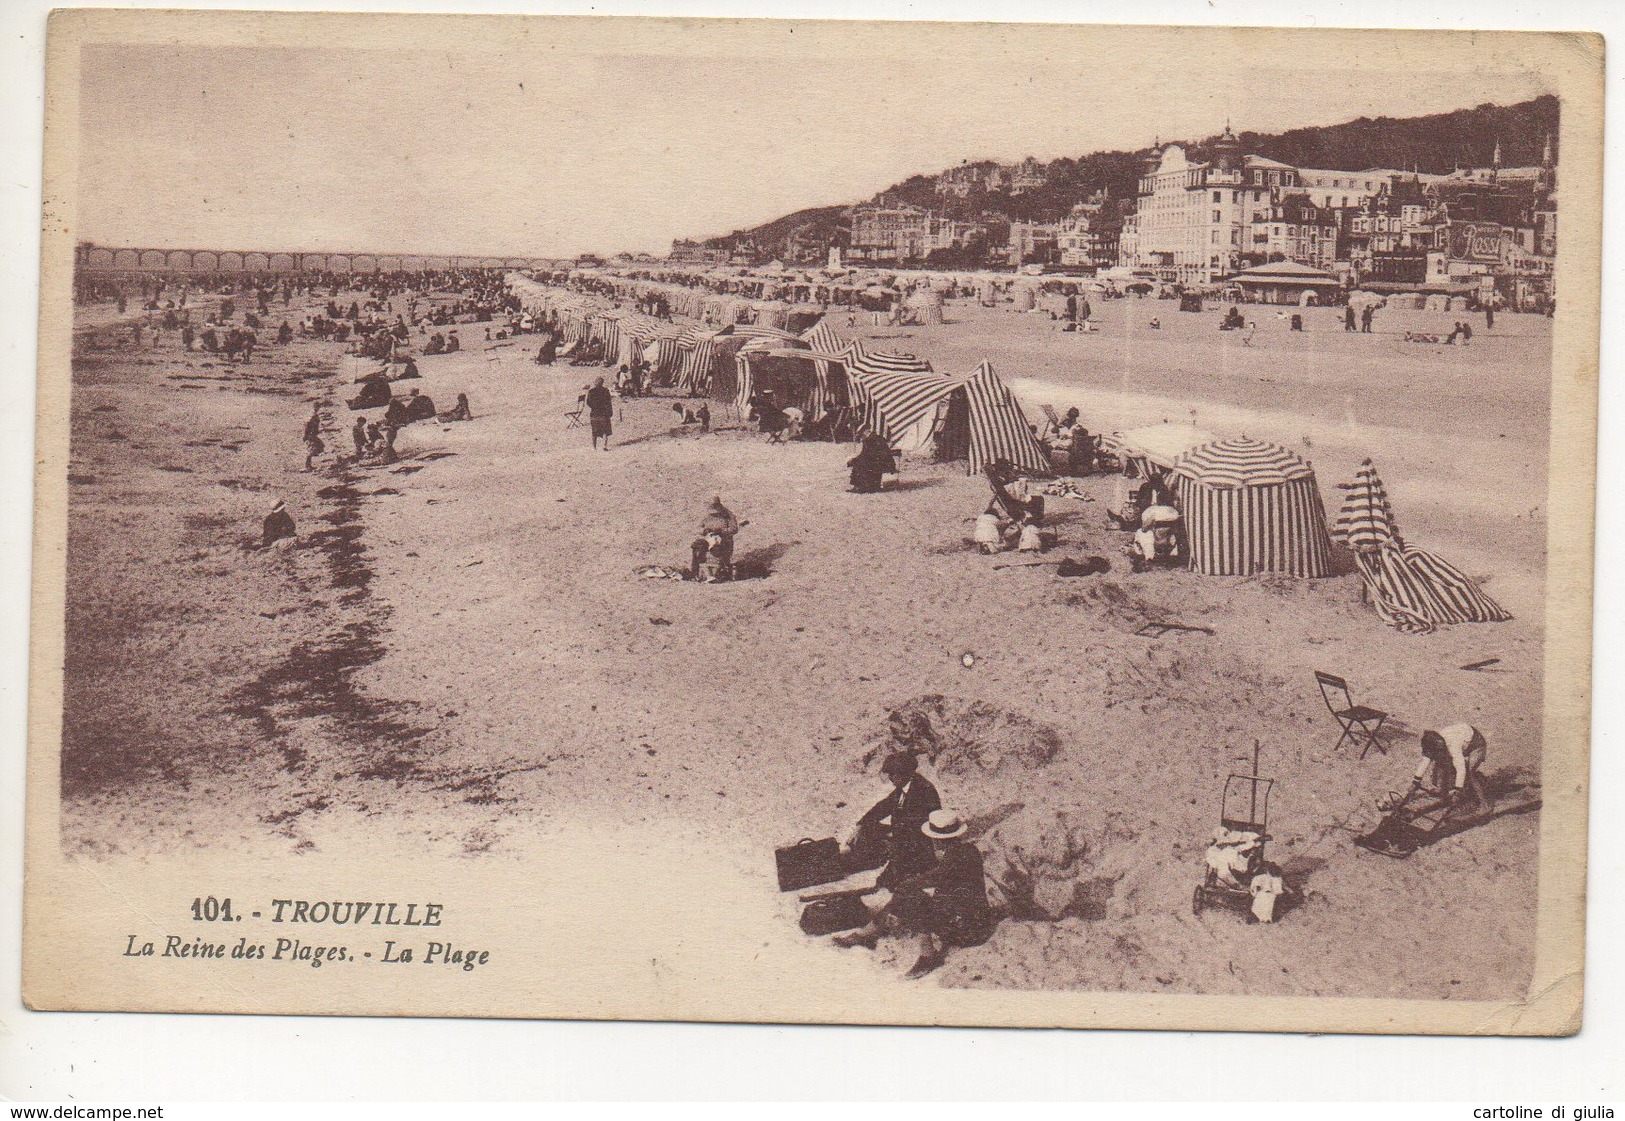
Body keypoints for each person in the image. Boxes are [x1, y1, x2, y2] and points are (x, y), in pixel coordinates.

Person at [834, 809, 993, 979]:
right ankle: (868, 932)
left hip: (968, 929)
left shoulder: (955, 857)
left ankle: (927, 955)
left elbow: (938, 878)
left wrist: (910, 885)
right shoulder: (967, 850)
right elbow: (943, 877)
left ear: (936, 839)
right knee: (909, 893)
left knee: (911, 897)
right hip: (974, 919)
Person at [848, 753, 941, 888]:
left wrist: (893, 836)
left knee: (889, 883)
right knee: (869, 827)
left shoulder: (923, 790)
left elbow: (920, 825)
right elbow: (884, 806)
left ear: (903, 773)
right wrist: (861, 824)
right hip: (902, 839)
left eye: (892, 774)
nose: (890, 778)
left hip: (917, 847)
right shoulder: (904, 787)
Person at [1408, 724, 1491, 815]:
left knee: (1470, 773)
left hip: (1476, 744)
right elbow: (1425, 761)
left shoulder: (1453, 746)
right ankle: (1442, 791)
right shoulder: (1431, 743)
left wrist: (1457, 792)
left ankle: (1485, 805)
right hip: (1461, 736)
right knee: (1440, 762)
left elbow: (1461, 769)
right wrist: (1415, 782)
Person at [690, 495, 740, 581]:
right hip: (709, 539)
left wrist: (721, 531)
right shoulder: (706, 516)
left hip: (724, 540)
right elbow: (697, 529)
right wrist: (705, 530)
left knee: (717, 550)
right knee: (697, 547)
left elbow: (734, 529)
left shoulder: (728, 516)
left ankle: (719, 572)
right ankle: (696, 572)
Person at [585, 376, 614, 450]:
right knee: (605, 430)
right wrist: (610, 412)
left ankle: (594, 447)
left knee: (594, 431)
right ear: (602, 383)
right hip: (604, 413)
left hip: (594, 413)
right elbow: (608, 402)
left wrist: (593, 407)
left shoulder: (591, 391)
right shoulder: (606, 390)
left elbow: (588, 402)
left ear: (595, 383)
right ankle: (604, 446)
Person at [302, 404, 324, 471]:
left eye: (317, 407)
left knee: (315, 447)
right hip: (311, 435)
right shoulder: (312, 416)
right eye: (316, 407)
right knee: (311, 449)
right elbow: (307, 427)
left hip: (313, 434)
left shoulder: (314, 415)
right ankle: (307, 466)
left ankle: (308, 465)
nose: (317, 408)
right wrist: (306, 435)